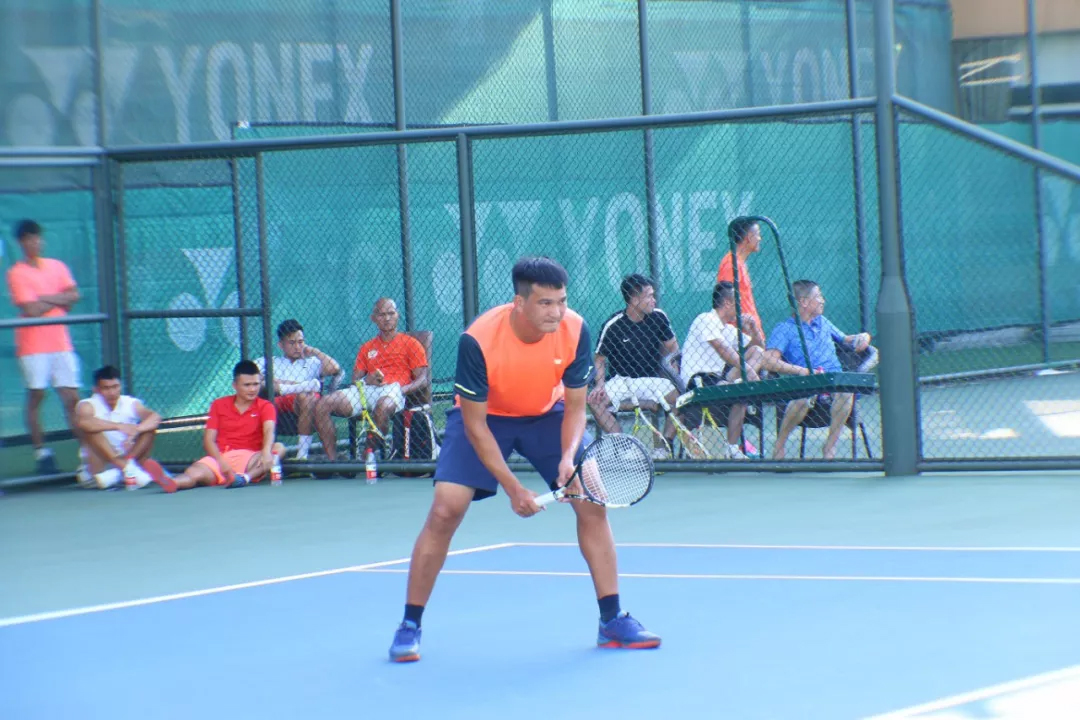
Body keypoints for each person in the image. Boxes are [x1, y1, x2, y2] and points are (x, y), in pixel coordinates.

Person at [388, 257, 660, 663]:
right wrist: (514, 488)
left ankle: (611, 619)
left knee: (592, 498)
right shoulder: (478, 340)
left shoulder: (575, 329)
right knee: (446, 509)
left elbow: (575, 408)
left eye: (561, 301)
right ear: (519, 302)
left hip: (547, 415)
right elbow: (475, 426)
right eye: (545, 303)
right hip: (486, 418)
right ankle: (410, 624)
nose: (556, 312)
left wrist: (567, 459)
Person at [681, 282, 809, 459]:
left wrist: (754, 329)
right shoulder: (706, 319)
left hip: (719, 380)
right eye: (738, 302)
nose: (741, 307)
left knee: (755, 354)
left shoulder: (728, 329)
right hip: (698, 382)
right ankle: (747, 386)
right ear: (727, 303)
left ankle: (732, 448)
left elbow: (760, 349)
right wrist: (749, 371)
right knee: (742, 391)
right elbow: (724, 350)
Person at [5, 219, 82, 475]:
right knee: (37, 396)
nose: (34, 242)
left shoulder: (57, 266)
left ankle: (88, 453)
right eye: (29, 238)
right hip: (32, 347)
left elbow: (74, 295)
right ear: (21, 243)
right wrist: (59, 299)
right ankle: (42, 453)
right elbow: (31, 310)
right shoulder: (16, 273)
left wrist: (45, 298)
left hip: (61, 343)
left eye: (37, 237)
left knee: (72, 398)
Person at [766, 280, 872, 460]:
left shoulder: (823, 322)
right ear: (804, 302)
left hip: (834, 386)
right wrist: (803, 371)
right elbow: (768, 361)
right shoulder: (784, 329)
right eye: (818, 296)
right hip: (805, 387)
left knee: (846, 392)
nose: (823, 300)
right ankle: (780, 445)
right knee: (802, 400)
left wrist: (864, 336)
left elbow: (846, 339)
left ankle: (829, 446)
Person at [313, 298, 428, 461]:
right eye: (382, 314)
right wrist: (368, 379)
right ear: (373, 318)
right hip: (366, 389)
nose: (387, 318)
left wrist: (401, 390)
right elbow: (355, 380)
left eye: (391, 313)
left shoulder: (411, 344)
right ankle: (333, 462)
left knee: (383, 406)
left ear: (397, 315)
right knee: (322, 404)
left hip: (393, 390)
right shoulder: (366, 347)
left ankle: (366, 457)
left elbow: (423, 380)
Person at [587, 274, 680, 459]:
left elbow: (673, 348)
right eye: (649, 296)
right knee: (594, 402)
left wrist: (671, 368)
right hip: (622, 381)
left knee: (681, 400)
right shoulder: (613, 325)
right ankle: (624, 447)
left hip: (653, 379)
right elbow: (599, 359)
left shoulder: (659, 317)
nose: (654, 300)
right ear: (634, 300)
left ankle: (663, 447)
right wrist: (599, 385)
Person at [169, 360, 285, 490]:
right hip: (220, 458)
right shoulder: (218, 405)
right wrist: (221, 462)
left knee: (278, 448)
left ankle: (244, 479)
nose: (252, 389)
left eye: (256, 384)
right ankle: (171, 483)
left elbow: (269, 430)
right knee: (193, 474)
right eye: (247, 385)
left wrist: (266, 452)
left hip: (251, 459)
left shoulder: (266, 406)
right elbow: (209, 440)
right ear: (234, 385)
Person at [74, 365, 176, 492]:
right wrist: (119, 426)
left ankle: (124, 471)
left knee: (148, 430)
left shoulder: (130, 403)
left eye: (115, 387)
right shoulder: (86, 405)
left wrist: (136, 430)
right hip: (98, 467)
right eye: (106, 388)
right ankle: (128, 470)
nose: (112, 392)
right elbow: (84, 422)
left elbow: (155, 417)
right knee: (91, 430)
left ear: (120, 386)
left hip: (129, 458)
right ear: (96, 390)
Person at [255, 318, 341, 460]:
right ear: (281, 345)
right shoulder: (271, 361)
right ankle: (297, 386)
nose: (297, 347)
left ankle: (302, 455)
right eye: (292, 343)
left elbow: (335, 368)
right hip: (277, 399)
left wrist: (314, 351)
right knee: (269, 385)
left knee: (307, 396)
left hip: (304, 402)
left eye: (300, 342)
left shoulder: (312, 362)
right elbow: (251, 374)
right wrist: (284, 382)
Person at [716, 216, 765, 343]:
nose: (760, 238)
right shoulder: (731, 263)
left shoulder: (739, 262)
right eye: (758, 234)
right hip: (741, 337)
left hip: (750, 335)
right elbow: (726, 300)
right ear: (749, 237)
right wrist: (741, 326)